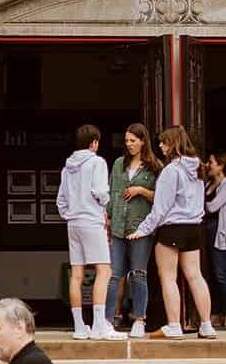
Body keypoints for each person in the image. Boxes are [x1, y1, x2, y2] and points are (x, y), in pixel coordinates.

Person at [128, 126, 215, 340]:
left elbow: (160, 207)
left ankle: (174, 325)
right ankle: (206, 325)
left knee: (168, 277)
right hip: (194, 226)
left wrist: (142, 229)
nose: (160, 146)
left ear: (172, 144)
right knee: (196, 276)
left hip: (172, 227)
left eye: (163, 142)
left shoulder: (171, 170)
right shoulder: (197, 168)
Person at [56, 124, 123, 341]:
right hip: (92, 220)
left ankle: (79, 326)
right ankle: (98, 325)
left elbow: (61, 201)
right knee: (104, 271)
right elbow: (100, 191)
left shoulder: (67, 167)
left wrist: (70, 213)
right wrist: (105, 204)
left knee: (77, 274)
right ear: (94, 142)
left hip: (73, 222)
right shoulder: (97, 162)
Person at [105, 123, 161, 338]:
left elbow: (161, 198)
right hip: (119, 224)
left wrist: (142, 191)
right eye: (127, 141)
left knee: (138, 274)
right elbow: (111, 191)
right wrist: (108, 218)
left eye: (133, 141)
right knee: (114, 274)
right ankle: (108, 320)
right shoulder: (119, 163)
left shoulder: (155, 166)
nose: (129, 144)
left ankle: (139, 318)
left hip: (141, 226)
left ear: (143, 141)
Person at [203, 150, 226, 331]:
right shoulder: (207, 184)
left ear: (221, 166)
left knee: (221, 274)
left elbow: (213, 206)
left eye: (211, 162)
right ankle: (214, 312)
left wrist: (196, 200)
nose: (208, 165)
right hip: (204, 233)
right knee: (207, 274)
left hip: (220, 233)